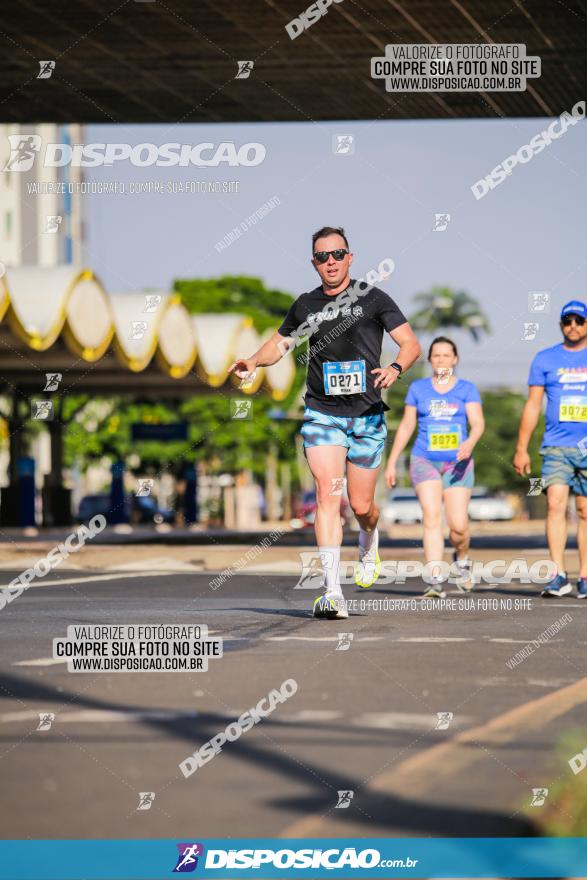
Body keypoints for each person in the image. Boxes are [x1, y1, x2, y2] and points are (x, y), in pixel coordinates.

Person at [228, 226, 420, 619]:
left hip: (367, 415)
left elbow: (410, 343)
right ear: (313, 262)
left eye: (337, 254)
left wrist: (396, 368)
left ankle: (369, 537)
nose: (330, 262)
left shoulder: (373, 298)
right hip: (322, 414)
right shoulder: (305, 305)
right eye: (322, 256)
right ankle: (333, 592)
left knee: (363, 505)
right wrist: (252, 360)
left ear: (350, 257)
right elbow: (279, 345)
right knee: (328, 496)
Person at [384, 337, 485, 598]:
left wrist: (471, 442)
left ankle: (461, 559)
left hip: (458, 462)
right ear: (430, 360)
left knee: (458, 526)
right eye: (436, 355)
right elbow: (407, 427)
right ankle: (435, 579)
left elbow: (478, 423)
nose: (441, 360)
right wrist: (393, 461)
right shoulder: (418, 389)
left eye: (446, 355)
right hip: (424, 459)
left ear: (455, 359)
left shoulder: (466, 389)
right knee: (431, 517)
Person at [514, 300, 587, 598]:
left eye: (578, 321)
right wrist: (522, 448)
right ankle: (558, 574)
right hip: (556, 446)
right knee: (555, 505)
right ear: (560, 325)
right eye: (567, 321)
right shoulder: (545, 359)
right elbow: (533, 405)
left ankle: (584, 575)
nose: (573, 326)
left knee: (584, 510)